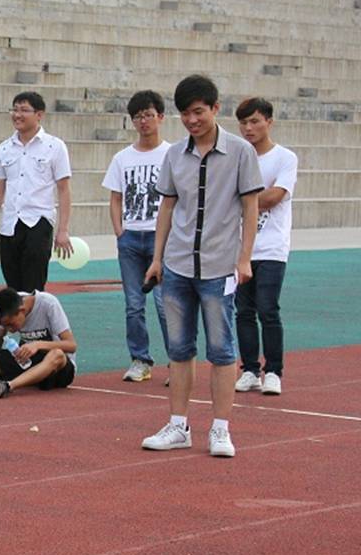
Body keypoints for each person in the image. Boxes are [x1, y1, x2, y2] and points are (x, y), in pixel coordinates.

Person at [141, 75, 262, 458]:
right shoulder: (175, 154)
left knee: (222, 350)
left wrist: (244, 257)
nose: (192, 120)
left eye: (198, 112)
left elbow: (250, 207)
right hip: (177, 264)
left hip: (219, 266)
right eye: (185, 114)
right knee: (178, 349)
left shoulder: (241, 152)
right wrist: (157, 258)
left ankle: (221, 429)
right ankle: (178, 425)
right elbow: (167, 206)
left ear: (215, 108)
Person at [103, 90, 172, 383]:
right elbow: (115, 198)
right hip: (131, 237)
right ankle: (140, 359)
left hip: (162, 237)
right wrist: (120, 231)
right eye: (138, 117)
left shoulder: (172, 154)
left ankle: (177, 362)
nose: (143, 121)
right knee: (133, 304)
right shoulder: (122, 158)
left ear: (161, 117)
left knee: (166, 304)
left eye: (148, 115)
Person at [233, 96, 297, 397]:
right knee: (243, 311)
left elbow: (275, 196)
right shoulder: (237, 158)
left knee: (268, 309)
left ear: (269, 122)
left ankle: (273, 371)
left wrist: (242, 199)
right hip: (239, 248)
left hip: (271, 247)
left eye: (255, 121)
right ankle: (249, 370)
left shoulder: (285, 158)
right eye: (243, 123)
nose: (248, 128)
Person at [0, 91, 73, 292]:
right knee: (13, 285)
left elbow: (64, 190)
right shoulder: (4, 149)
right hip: (10, 225)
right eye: (15, 109)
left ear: (39, 115)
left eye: (24, 110)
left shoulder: (54, 146)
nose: (17, 115)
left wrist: (63, 230)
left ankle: (35, 314)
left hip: (38, 222)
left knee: (33, 286)